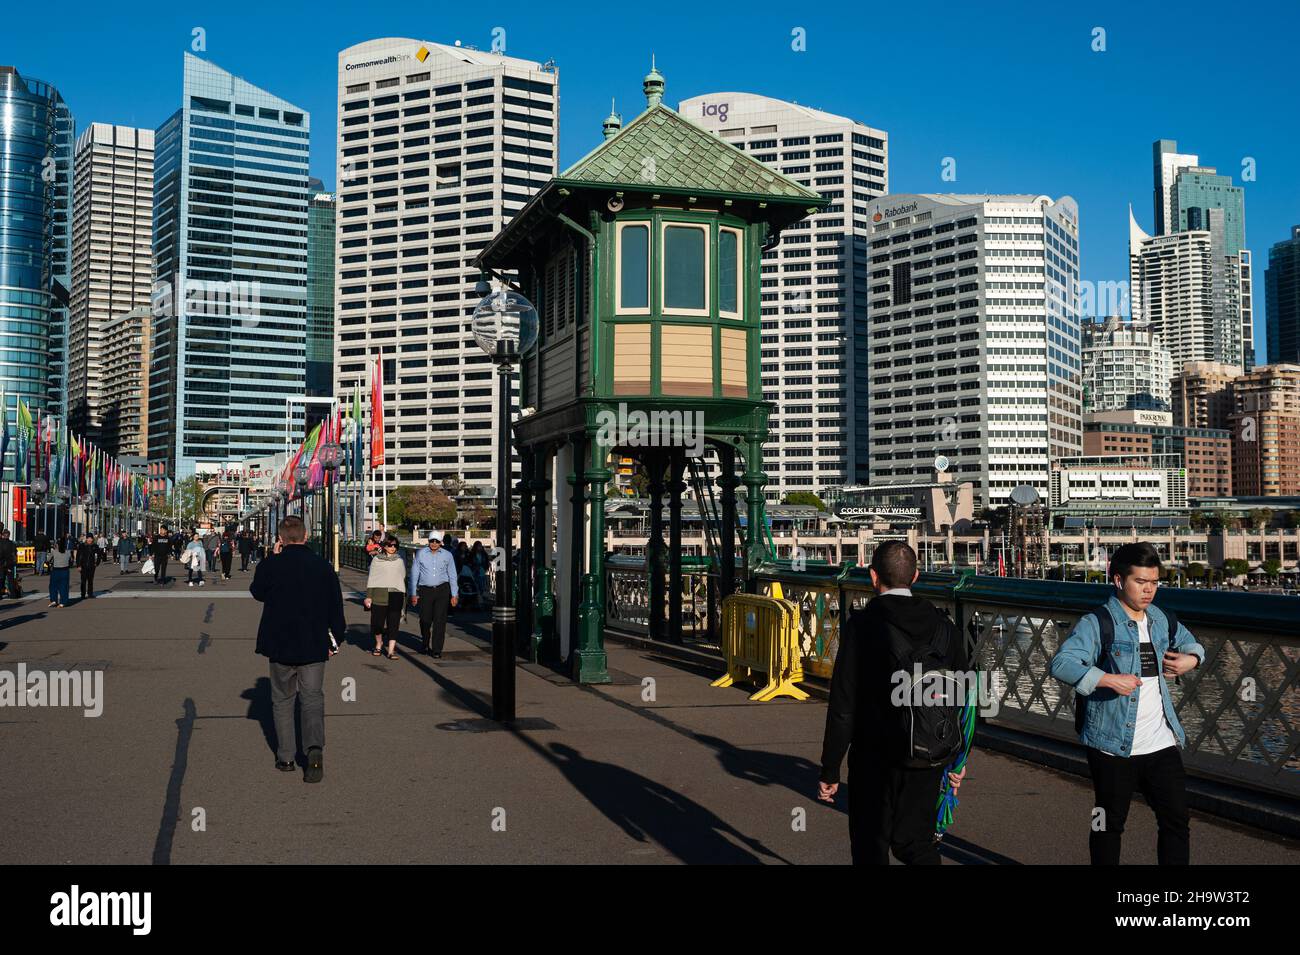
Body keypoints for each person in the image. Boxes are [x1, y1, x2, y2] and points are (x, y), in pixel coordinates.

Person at [1050, 542, 1204, 865]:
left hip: (1160, 741)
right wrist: (1107, 679)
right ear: (1118, 580)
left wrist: (1191, 659)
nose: (1149, 590)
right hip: (1111, 744)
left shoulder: (1161, 618)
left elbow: (1192, 642)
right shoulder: (1098, 622)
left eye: (1154, 582)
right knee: (1107, 823)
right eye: (1140, 582)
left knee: (1177, 820)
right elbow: (1062, 663)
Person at [818, 541, 969, 865]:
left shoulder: (861, 627)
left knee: (871, 846)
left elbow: (843, 706)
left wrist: (830, 768)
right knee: (915, 843)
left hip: (874, 756)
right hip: (928, 753)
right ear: (915, 576)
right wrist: (958, 758)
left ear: (873, 577)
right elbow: (963, 699)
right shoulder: (945, 628)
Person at [250, 515, 346, 782]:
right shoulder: (322, 567)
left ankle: (286, 756)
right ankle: (314, 749)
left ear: (281, 539)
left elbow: (257, 591)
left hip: (279, 642)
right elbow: (335, 607)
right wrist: (336, 638)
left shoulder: (272, 565)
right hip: (313, 642)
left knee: (282, 700)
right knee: (312, 698)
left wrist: (272, 557)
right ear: (305, 536)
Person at [408, 530, 458, 657]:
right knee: (425, 619)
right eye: (432, 541)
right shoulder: (421, 554)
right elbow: (414, 574)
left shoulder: (448, 555)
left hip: (442, 589)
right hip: (425, 590)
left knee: (439, 620)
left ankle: (437, 649)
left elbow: (452, 575)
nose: (434, 543)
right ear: (428, 541)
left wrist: (454, 594)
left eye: (436, 541)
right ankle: (425, 642)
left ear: (440, 542)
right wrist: (413, 593)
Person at [364, 535, 406, 659]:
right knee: (377, 624)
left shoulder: (400, 561)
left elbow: (402, 577)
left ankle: (391, 650)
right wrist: (369, 596)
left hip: (396, 594)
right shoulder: (377, 560)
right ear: (385, 546)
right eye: (389, 545)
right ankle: (379, 643)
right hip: (379, 594)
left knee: (393, 624)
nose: (392, 548)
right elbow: (372, 578)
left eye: (395, 546)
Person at [48, 536, 71, 607]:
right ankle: (63, 602)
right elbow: (70, 560)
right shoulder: (68, 552)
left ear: (57, 544)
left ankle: (54, 600)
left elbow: (48, 559)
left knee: (53, 586)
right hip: (65, 570)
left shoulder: (54, 551)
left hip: (56, 570)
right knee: (64, 587)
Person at [77, 533, 101, 600]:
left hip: (92, 566)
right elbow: (78, 556)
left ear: (92, 539)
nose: (90, 539)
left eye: (91, 538)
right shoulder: (82, 546)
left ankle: (90, 594)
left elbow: (99, 555)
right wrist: (78, 565)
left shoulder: (95, 546)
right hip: (83, 566)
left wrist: (97, 563)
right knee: (83, 581)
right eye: (88, 538)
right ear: (86, 539)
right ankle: (83, 594)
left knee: (90, 580)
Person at [0, 528, 17, 598]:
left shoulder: (0, 543)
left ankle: (0, 594)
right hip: (9, 564)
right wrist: (14, 562)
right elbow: (14, 554)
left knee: (1, 580)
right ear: (9, 535)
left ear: (3, 535)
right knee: (10, 579)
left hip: (1, 564)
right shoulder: (12, 544)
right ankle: (12, 594)